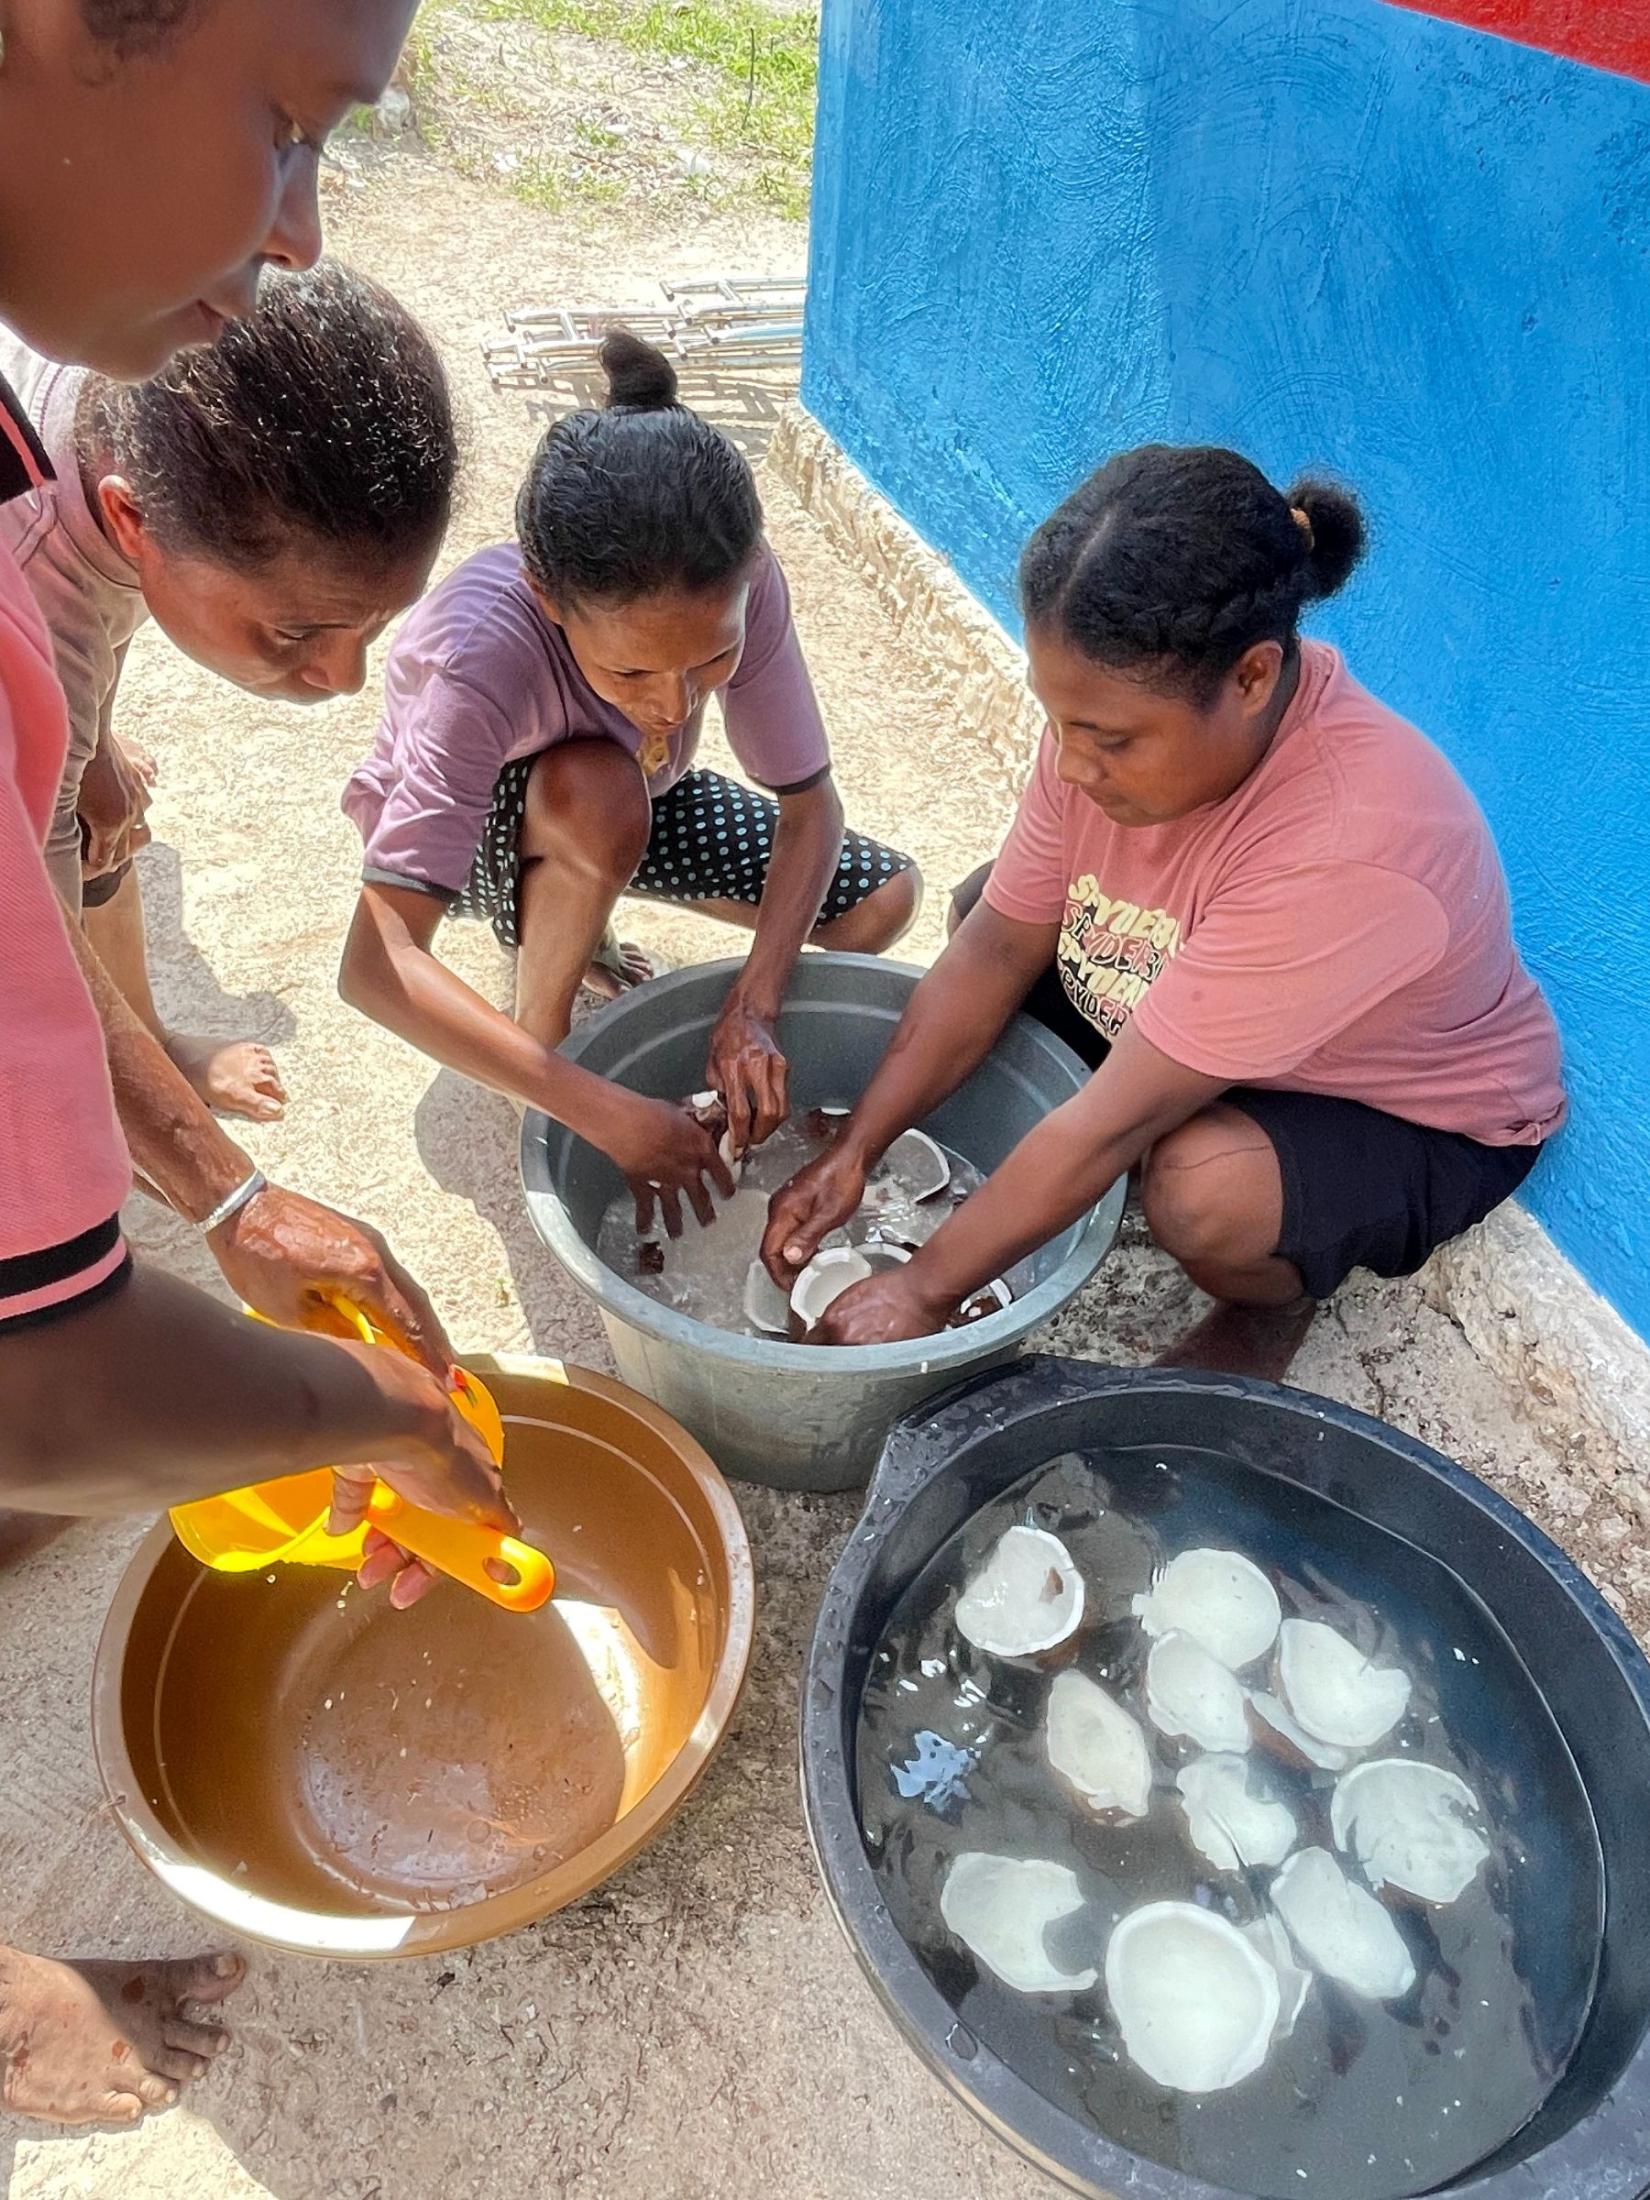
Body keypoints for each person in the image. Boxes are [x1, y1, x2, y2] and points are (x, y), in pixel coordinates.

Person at [0, 0, 508, 2131]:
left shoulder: (57, 408)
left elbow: (37, 933)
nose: (299, 232)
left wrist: (221, 1198)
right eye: (291, 120)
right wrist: (377, 1412)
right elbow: (35, 1364)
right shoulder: (39, 548)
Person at [762, 446, 1565, 1377]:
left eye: (1108, 740)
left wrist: (921, 1286)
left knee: (1195, 1187)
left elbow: (1108, 1125)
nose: (1068, 765)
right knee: (991, 903)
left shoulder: (1354, 842)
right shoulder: (1109, 707)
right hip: (1233, 1014)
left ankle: (1277, 1296)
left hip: (1397, 1112)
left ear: (1254, 678)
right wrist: (861, 1144)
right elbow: (994, 947)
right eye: (1057, 721)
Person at [338, 330, 922, 1229]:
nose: (672, 707)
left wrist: (753, 1005)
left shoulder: (748, 585)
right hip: (495, 830)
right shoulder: (480, 654)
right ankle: (544, 1039)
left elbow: (812, 810)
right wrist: (600, 1108)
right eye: (630, 675)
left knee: (876, 903)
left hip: (635, 801)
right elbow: (377, 965)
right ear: (546, 597)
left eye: (710, 661)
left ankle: (586, 914)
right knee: (601, 793)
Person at [2, 257, 457, 1123]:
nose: (345, 676)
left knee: (103, 811)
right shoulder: (29, 601)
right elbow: (37, 980)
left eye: (374, 624)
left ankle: (148, 1035)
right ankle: (141, 1053)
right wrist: (229, 1200)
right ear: (134, 523)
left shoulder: (142, 408)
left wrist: (93, 742)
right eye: (298, 633)